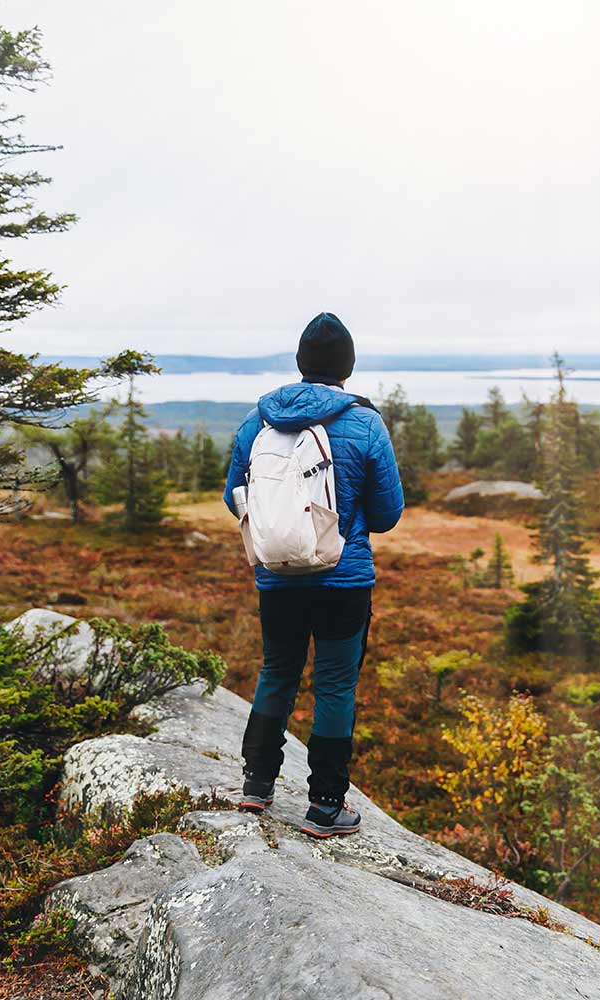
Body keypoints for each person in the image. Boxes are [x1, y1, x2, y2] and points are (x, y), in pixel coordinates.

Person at [223, 312, 403, 837]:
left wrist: (282, 531)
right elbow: (388, 514)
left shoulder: (257, 421)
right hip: (344, 581)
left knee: (277, 671)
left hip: (277, 579)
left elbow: (235, 497)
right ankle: (325, 805)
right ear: (347, 366)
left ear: (301, 363)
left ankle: (256, 786)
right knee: (334, 686)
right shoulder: (364, 423)